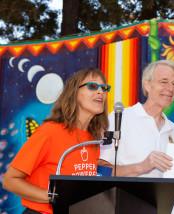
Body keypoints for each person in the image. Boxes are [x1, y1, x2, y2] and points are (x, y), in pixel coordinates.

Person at [3, 68, 111, 214]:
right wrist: (52, 197)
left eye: (104, 88)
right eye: (93, 86)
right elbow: (10, 180)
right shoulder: (50, 132)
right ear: (74, 93)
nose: (101, 92)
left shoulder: (93, 139)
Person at [100, 60, 174, 177]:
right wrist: (142, 167)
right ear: (147, 85)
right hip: (123, 194)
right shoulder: (120, 118)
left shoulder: (173, 130)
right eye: (164, 82)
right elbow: (101, 169)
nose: (170, 88)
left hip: (163, 196)